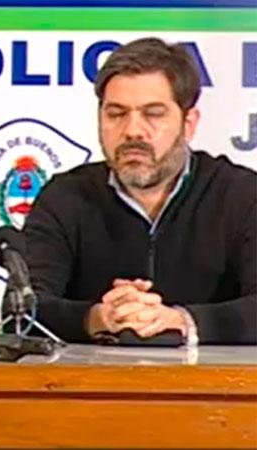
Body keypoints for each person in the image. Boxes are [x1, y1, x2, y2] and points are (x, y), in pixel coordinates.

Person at [24, 37, 256, 345]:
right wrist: (98, 318)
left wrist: (182, 321)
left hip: (217, 377)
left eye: (153, 113)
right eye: (116, 114)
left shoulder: (242, 195)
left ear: (188, 123)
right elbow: (22, 309)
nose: (132, 131)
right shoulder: (65, 197)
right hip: (93, 376)